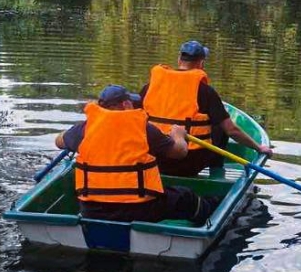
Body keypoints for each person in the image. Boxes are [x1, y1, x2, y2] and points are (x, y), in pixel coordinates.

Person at [55, 84, 220, 224]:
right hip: (139, 210)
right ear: (126, 104)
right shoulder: (143, 128)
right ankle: (211, 216)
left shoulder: (83, 129)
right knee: (185, 197)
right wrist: (178, 134)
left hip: (92, 210)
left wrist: (73, 132)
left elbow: (58, 141)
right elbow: (179, 152)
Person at [141, 40, 272, 177]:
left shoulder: (150, 87)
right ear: (201, 63)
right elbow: (231, 130)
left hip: (153, 160)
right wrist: (259, 147)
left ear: (179, 59)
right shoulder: (206, 92)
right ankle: (216, 171)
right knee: (219, 124)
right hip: (188, 163)